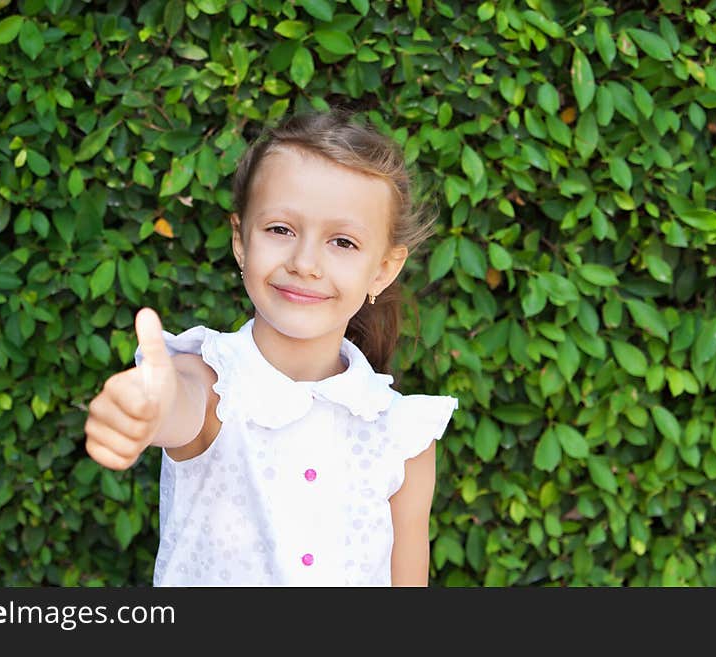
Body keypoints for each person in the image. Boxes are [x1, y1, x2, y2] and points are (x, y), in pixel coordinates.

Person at [83, 110, 458, 586]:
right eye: (281, 229)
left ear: (382, 269)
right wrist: (143, 408)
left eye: (342, 242)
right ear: (241, 240)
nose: (304, 263)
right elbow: (175, 403)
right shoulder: (212, 384)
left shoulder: (404, 436)